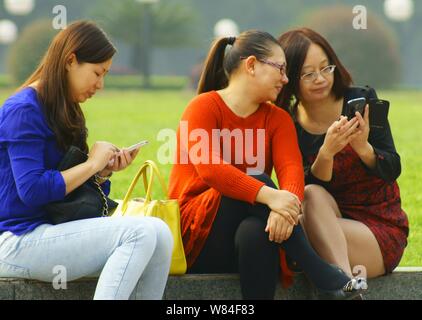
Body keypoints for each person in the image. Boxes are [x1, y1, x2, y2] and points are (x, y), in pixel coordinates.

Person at [168, 30, 367, 300]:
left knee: (257, 233)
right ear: (251, 65)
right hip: (197, 236)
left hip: (248, 233)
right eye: (281, 69)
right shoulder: (202, 107)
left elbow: (292, 174)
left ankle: (325, 281)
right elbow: (211, 170)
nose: (286, 79)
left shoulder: (278, 119)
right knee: (258, 179)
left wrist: (281, 208)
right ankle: (321, 273)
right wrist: (271, 196)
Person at [0, 21, 173, 300]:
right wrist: (91, 164)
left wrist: (102, 173)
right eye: (97, 72)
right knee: (139, 232)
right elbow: (31, 191)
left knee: (160, 233)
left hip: (55, 231)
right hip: (17, 240)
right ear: (70, 61)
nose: (100, 85)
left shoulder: (68, 111)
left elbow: (76, 198)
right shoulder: (23, 110)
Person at [276, 28, 409, 280]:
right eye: (308, 73)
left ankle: (342, 285)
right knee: (309, 196)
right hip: (325, 226)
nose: (320, 79)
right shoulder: (288, 124)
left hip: (377, 230)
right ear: (290, 78)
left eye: (326, 68)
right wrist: (326, 154)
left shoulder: (361, 101)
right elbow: (297, 193)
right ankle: (346, 284)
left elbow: (392, 167)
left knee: (302, 231)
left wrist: (363, 148)